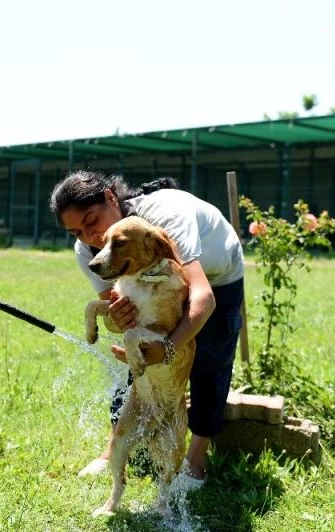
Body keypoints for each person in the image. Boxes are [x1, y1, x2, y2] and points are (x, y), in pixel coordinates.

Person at [49, 170, 244, 496]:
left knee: (210, 361)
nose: (90, 236)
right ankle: (113, 451)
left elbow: (203, 298)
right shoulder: (88, 251)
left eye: (91, 221)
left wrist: (168, 348)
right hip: (153, 281)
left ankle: (196, 460)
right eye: (76, 232)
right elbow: (118, 317)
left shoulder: (165, 218)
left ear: (110, 198)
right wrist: (118, 320)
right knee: (136, 358)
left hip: (216, 276)